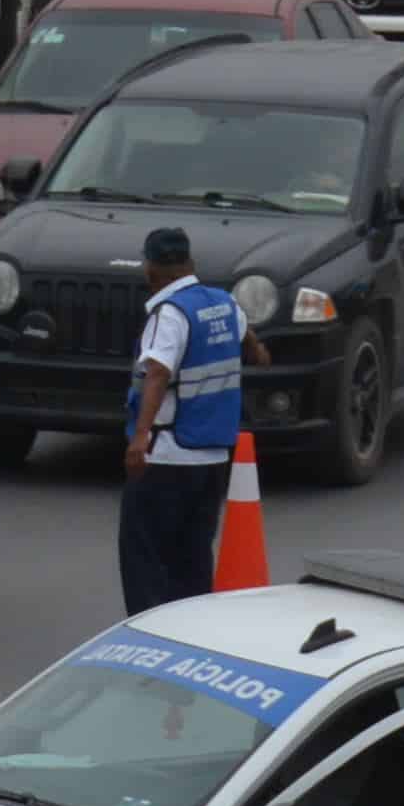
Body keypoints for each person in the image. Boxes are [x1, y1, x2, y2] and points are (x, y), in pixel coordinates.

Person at [117, 224, 248, 615]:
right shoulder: (223, 304)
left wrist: (140, 437)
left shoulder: (169, 314)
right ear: (190, 263)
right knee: (192, 560)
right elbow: (246, 336)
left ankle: (151, 640)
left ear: (151, 269)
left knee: (145, 561)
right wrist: (259, 353)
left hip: (166, 457)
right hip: (211, 459)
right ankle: (192, 634)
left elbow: (157, 372)